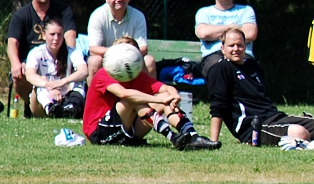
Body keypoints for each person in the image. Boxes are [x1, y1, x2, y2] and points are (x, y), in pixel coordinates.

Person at [83, 36, 220, 150]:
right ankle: (173, 138)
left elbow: (165, 88)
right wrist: (159, 101)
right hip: (99, 133)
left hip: (127, 133)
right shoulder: (104, 73)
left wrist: (173, 95)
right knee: (134, 99)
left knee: (164, 96)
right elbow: (124, 94)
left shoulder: (138, 77)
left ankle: (193, 137)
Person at [7, 0, 77, 117]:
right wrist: (16, 64)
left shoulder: (63, 11)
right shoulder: (21, 15)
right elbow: (12, 42)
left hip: (58, 56)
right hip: (30, 61)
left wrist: (68, 58)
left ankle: (65, 106)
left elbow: (70, 35)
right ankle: (30, 104)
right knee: (19, 75)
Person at [86, 0, 157, 83]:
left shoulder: (138, 16)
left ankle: (149, 97)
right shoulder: (97, 15)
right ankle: (94, 98)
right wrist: (118, 53)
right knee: (94, 61)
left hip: (132, 59)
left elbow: (143, 48)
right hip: (106, 60)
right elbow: (93, 49)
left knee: (149, 61)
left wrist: (127, 55)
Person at [195, 0, 258, 78]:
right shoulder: (204, 12)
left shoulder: (246, 10)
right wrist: (233, 27)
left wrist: (215, 33)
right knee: (220, 68)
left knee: (247, 68)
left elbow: (250, 34)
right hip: (214, 55)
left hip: (242, 54)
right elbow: (203, 33)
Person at [24, 18, 88, 118]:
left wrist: (62, 82)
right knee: (39, 86)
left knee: (80, 82)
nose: (56, 38)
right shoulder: (36, 53)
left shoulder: (72, 52)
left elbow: (84, 71)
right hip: (44, 96)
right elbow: (30, 75)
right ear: (44, 35)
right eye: (52, 34)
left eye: (59, 35)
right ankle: (51, 108)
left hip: (67, 93)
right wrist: (49, 86)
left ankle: (71, 108)